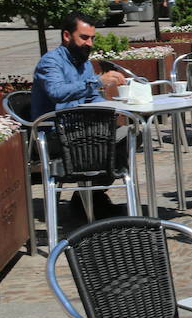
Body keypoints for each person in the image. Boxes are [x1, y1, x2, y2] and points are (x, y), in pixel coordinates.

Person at [30, 12, 129, 217]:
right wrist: (98, 81)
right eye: (84, 37)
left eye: (92, 38)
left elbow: (91, 97)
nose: (89, 43)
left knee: (131, 134)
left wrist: (116, 107)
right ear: (67, 35)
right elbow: (57, 93)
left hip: (82, 130)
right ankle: (90, 200)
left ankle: (90, 196)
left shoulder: (83, 62)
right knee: (114, 141)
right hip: (55, 134)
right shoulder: (50, 62)